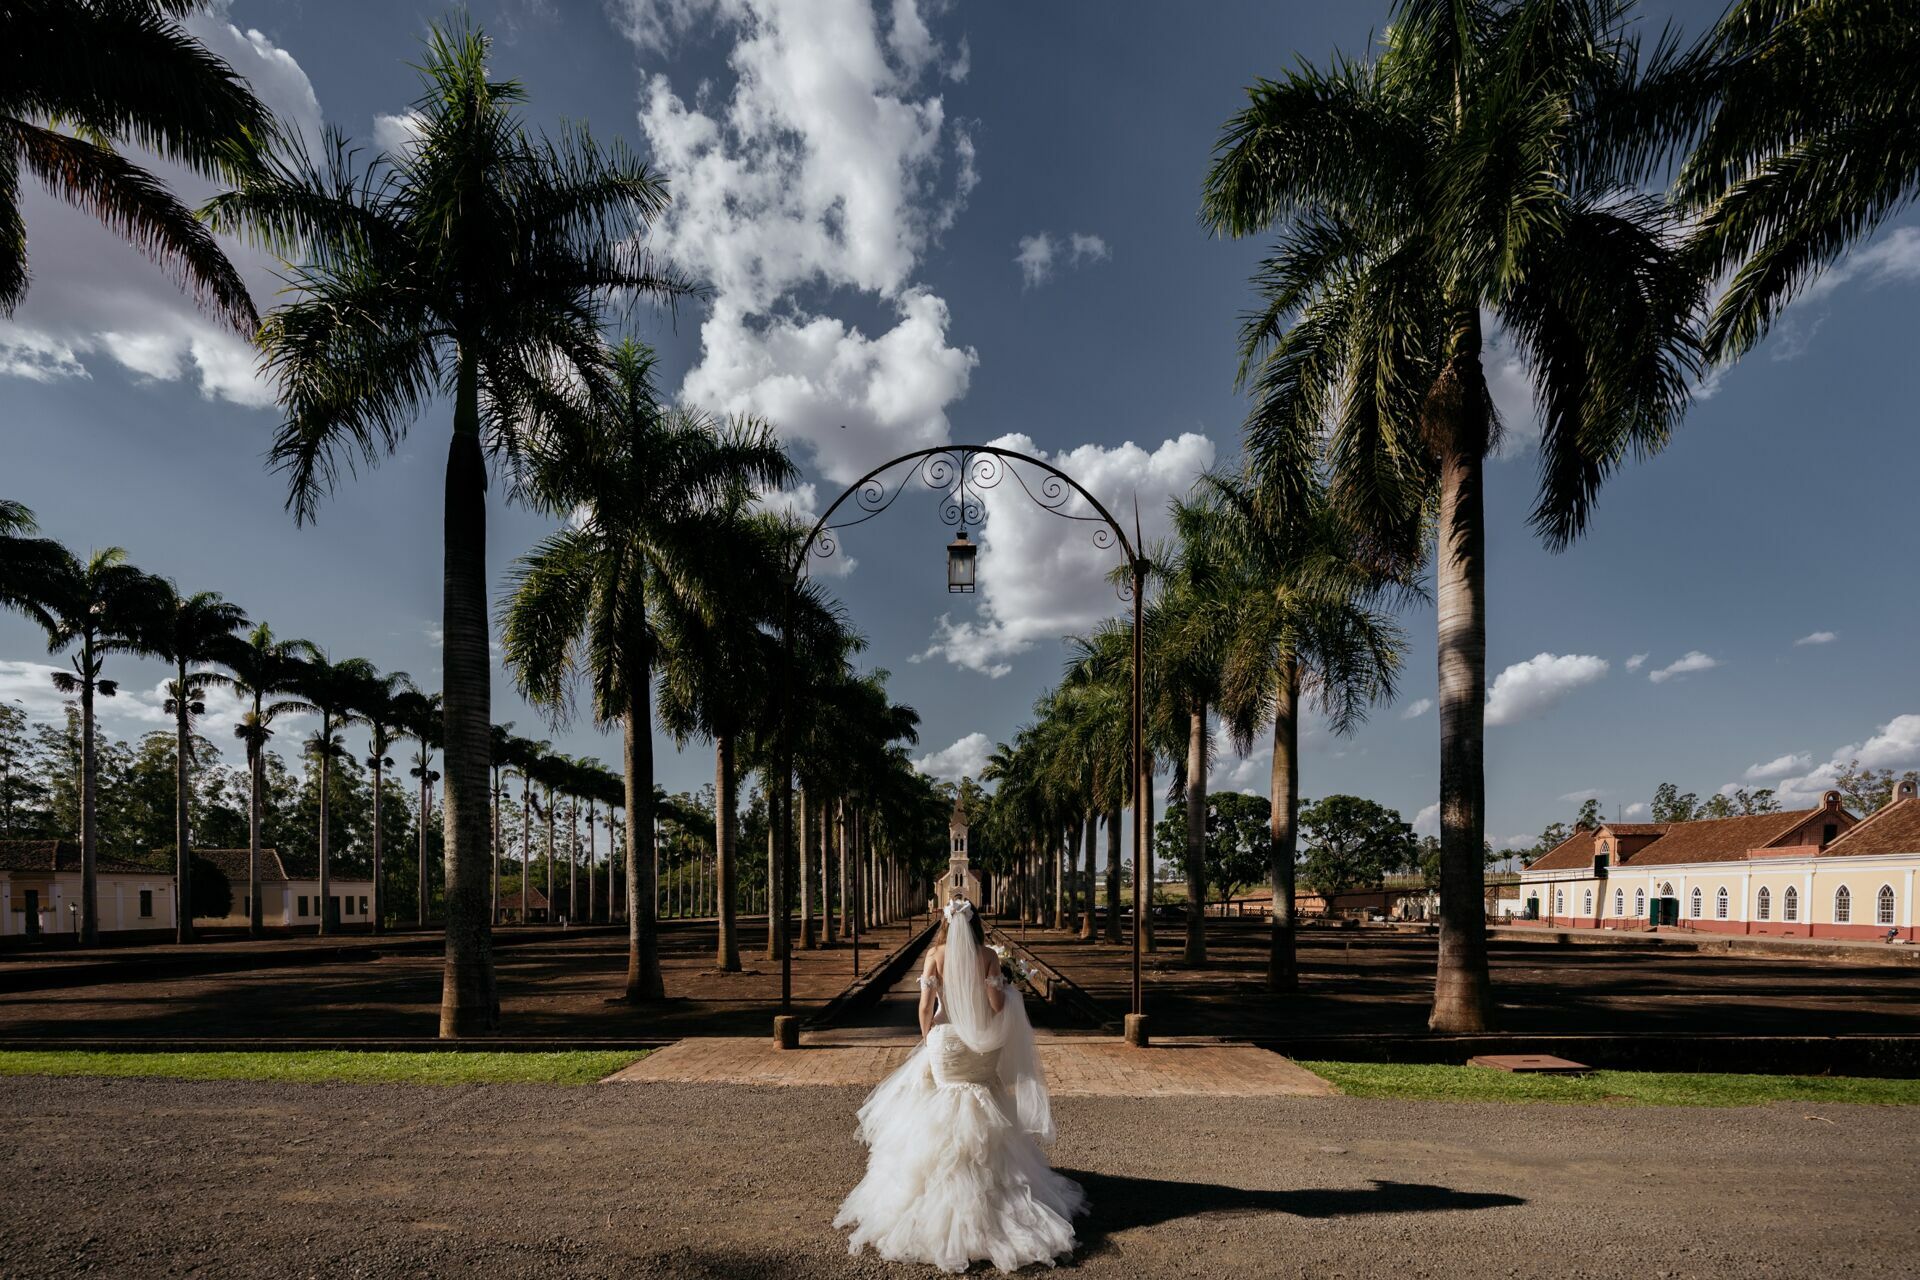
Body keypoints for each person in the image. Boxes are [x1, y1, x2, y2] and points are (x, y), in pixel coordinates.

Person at [835, 897, 1086, 1272]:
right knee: (984, 1101)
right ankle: (995, 1200)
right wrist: (1008, 990)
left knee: (939, 1106)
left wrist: (931, 1041)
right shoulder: (987, 956)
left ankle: (926, 1202)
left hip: (946, 1043)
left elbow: (924, 1008)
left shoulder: (935, 955)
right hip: (979, 1042)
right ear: (975, 924)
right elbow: (997, 1006)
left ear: (949, 925)